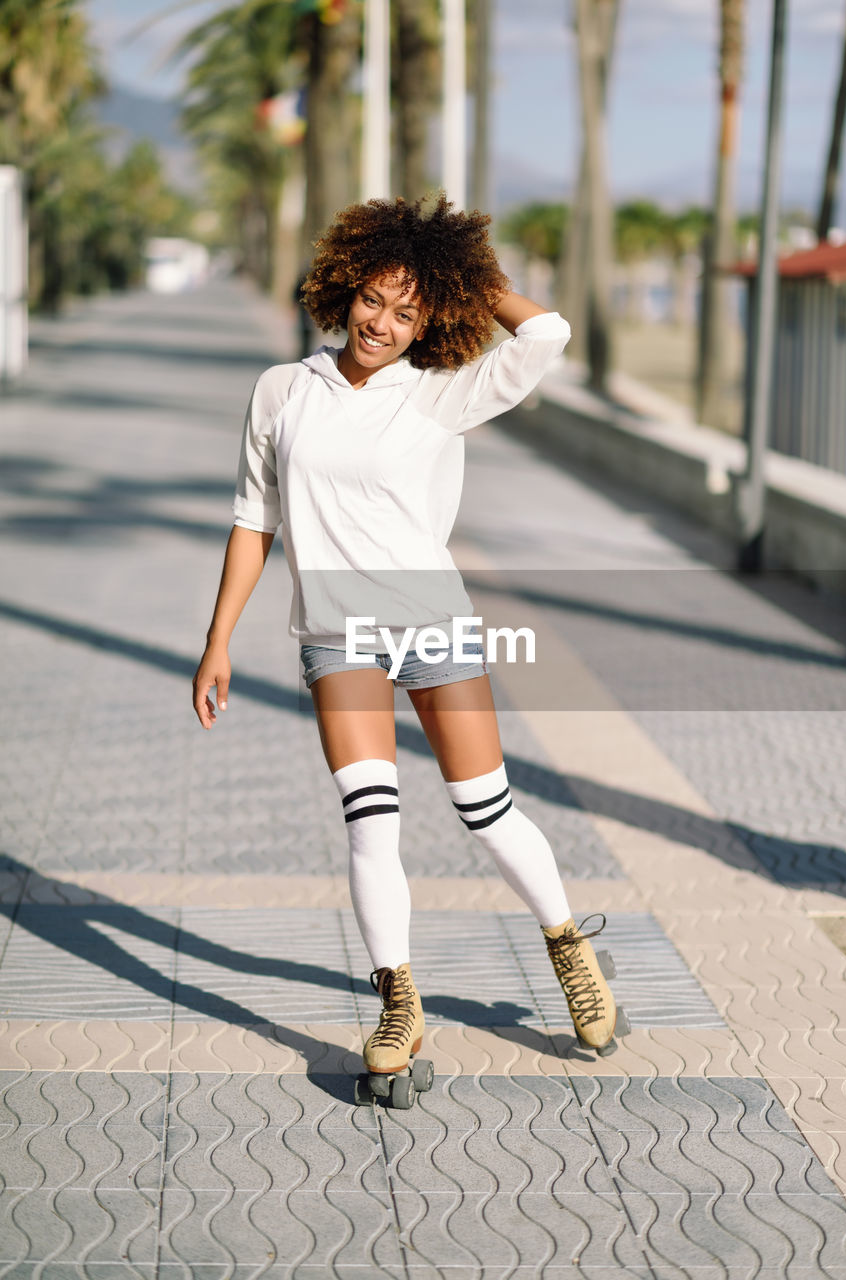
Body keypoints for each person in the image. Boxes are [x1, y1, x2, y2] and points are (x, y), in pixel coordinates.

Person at [192, 194, 625, 1073]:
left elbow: (547, 336)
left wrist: (465, 273)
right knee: (370, 824)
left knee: (486, 811)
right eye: (372, 300)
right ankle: (399, 1000)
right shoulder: (283, 390)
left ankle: (568, 945)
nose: (381, 324)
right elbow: (253, 519)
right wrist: (218, 640)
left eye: (407, 310)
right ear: (342, 286)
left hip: (434, 626)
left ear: (431, 318)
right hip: (335, 634)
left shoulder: (440, 393)